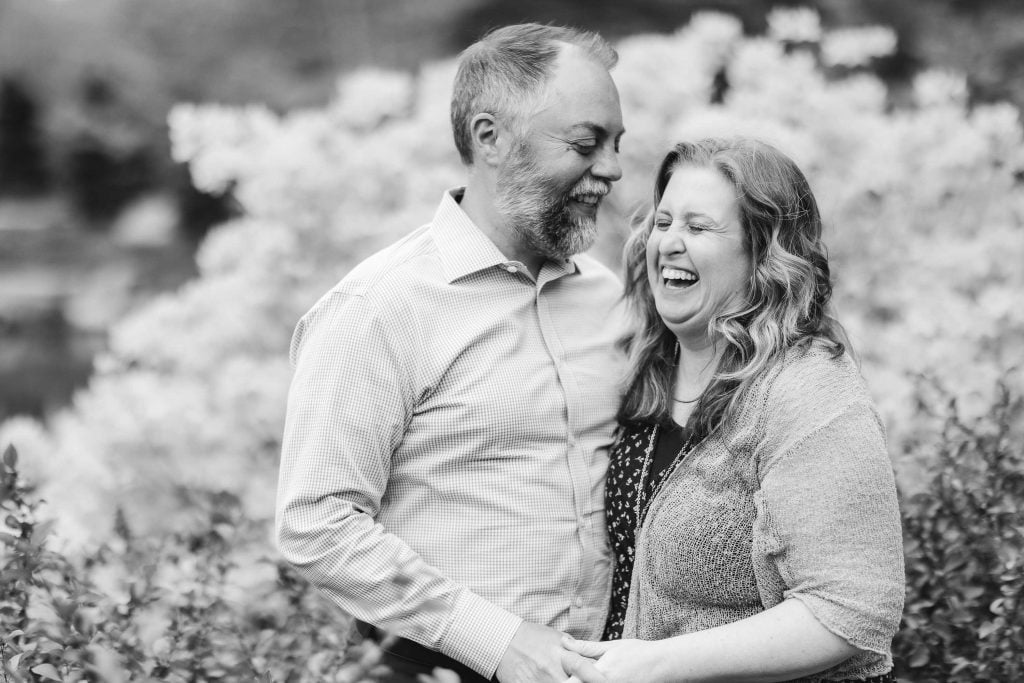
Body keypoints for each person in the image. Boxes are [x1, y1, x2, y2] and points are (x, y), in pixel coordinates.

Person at [275, 23, 627, 683]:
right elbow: (316, 523)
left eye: (615, 144)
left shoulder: (611, 299)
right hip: (425, 670)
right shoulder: (379, 306)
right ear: (490, 138)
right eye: (586, 143)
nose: (610, 168)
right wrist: (498, 641)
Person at [560, 138, 905, 683]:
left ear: (763, 253)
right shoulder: (647, 370)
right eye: (664, 221)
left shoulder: (808, 389)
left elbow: (854, 609)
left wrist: (655, 663)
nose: (668, 242)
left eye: (698, 228)